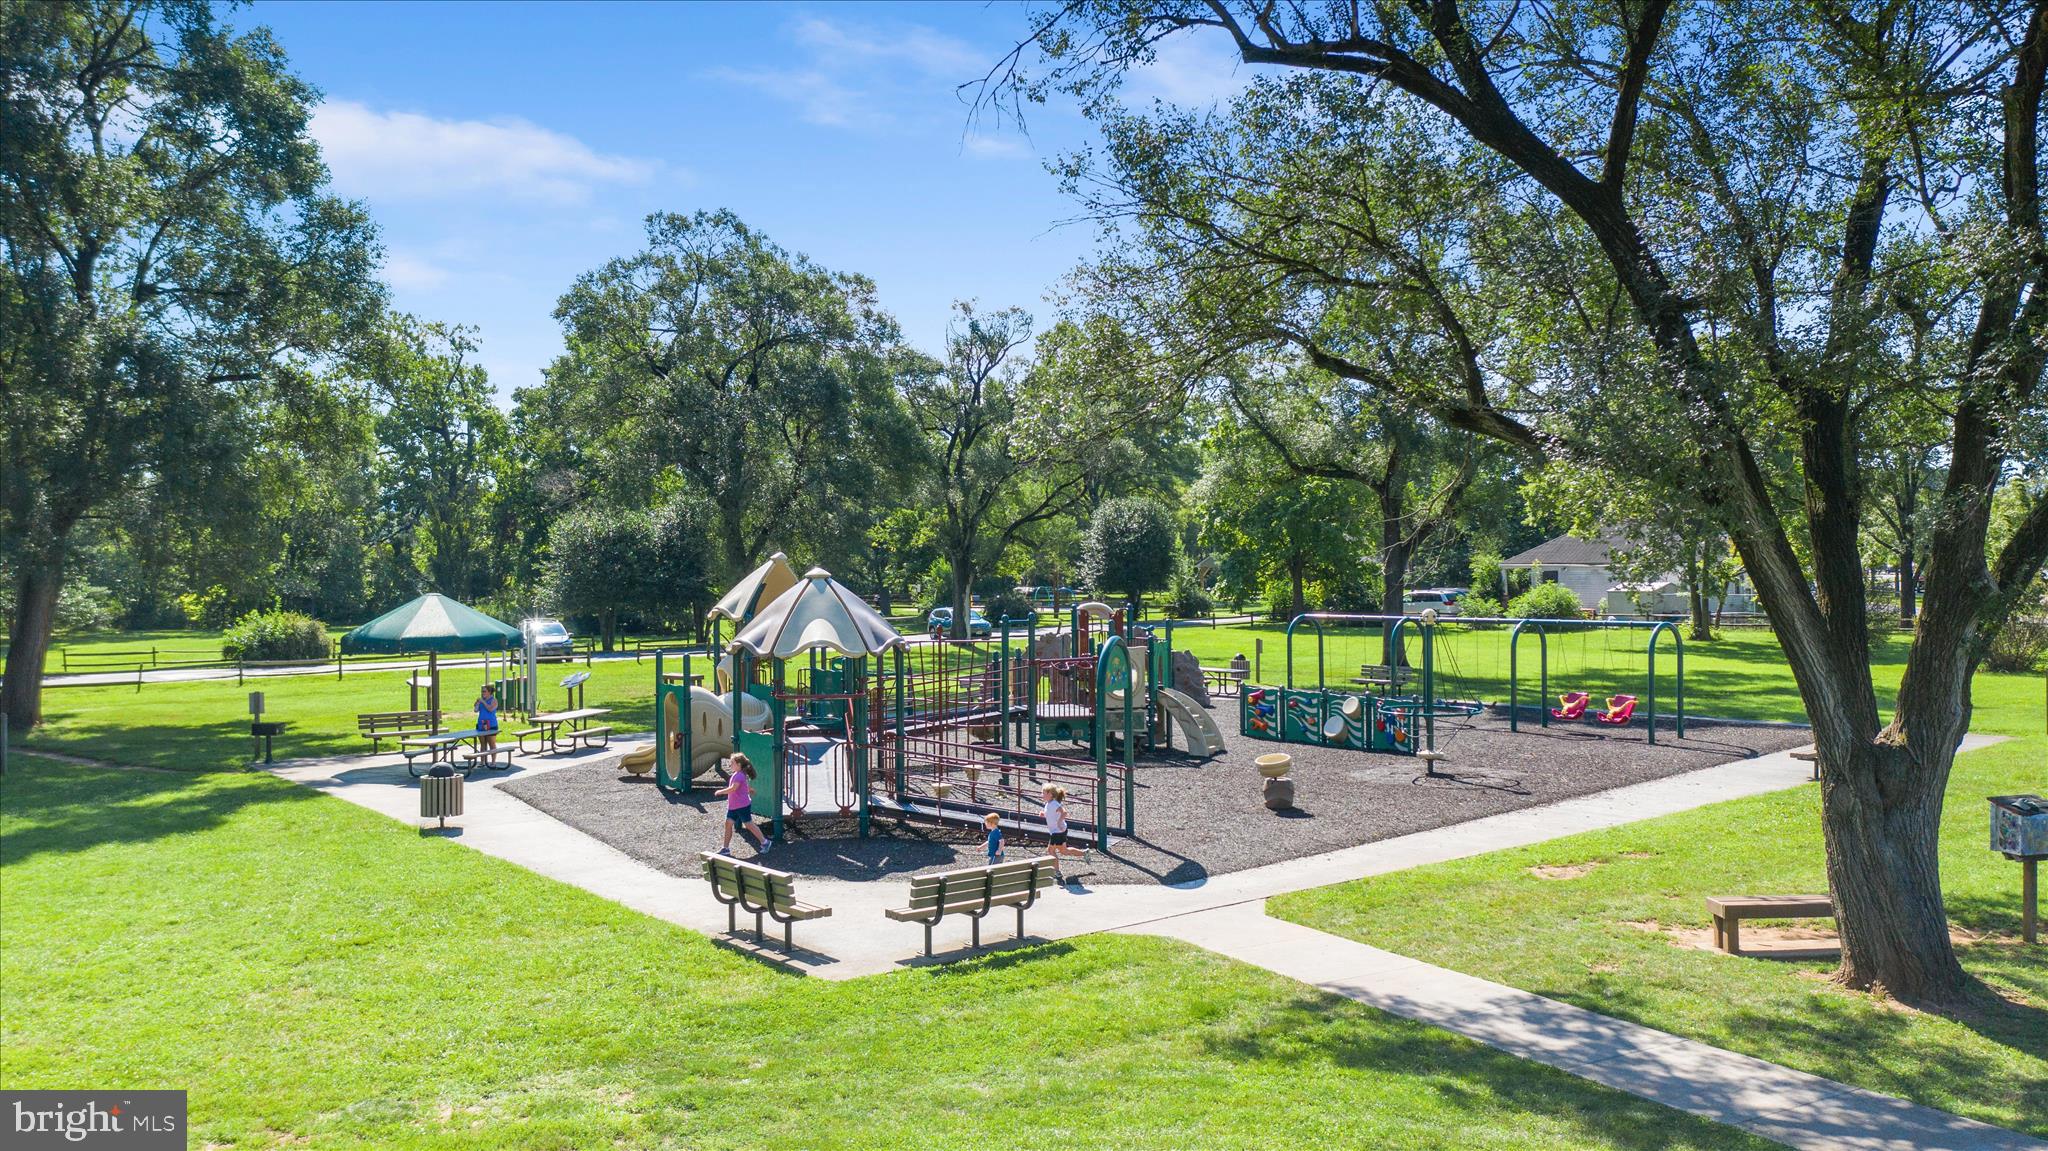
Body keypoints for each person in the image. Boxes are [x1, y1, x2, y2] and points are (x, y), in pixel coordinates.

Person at [716, 753, 771, 856]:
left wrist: (720, 792)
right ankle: (725, 848)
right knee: (728, 823)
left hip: (742, 806)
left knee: (749, 824)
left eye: (732, 763)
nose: (730, 765)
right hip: (734, 806)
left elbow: (733, 788)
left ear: (739, 764)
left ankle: (765, 842)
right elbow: (743, 786)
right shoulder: (738, 775)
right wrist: (749, 790)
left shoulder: (739, 775)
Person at [1040, 783, 1085, 879]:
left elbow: (1064, 813)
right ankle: (1085, 853)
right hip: (1058, 831)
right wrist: (1044, 814)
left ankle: (1057, 872)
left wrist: (1060, 821)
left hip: (1057, 831)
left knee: (1050, 850)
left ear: (1050, 794)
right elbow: (1052, 814)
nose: (1042, 795)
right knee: (1064, 851)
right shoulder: (1048, 804)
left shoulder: (1054, 803)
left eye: (1043, 793)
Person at [473, 683, 499, 751]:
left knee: (492, 744)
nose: (482, 693)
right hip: (481, 724)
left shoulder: (494, 700)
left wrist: (483, 702)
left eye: (484, 691)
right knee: (483, 744)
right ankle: (482, 761)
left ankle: (493, 762)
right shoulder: (481, 700)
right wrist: (477, 704)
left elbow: (490, 709)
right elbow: (475, 710)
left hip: (491, 725)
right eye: (482, 691)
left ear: (489, 692)